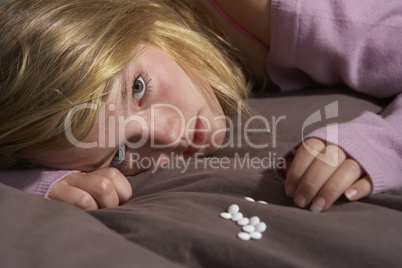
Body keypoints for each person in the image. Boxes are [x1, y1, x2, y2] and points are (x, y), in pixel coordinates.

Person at [0, 0, 401, 212]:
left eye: (139, 88)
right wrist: (38, 185)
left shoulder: (302, 14)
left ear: (136, 20)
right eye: (119, 153)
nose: (170, 136)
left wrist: (379, 143)